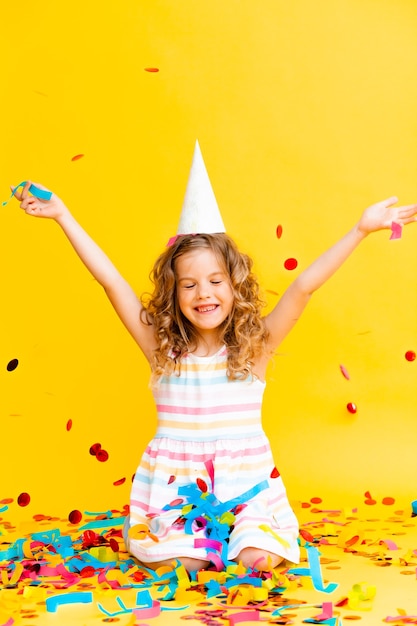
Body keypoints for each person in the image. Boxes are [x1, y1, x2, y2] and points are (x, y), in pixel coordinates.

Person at [12, 162, 416, 573]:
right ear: (173, 293)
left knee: (257, 559)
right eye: (189, 285)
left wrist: (360, 230)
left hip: (246, 489)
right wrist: (63, 216)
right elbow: (112, 282)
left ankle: (246, 539)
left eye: (215, 281)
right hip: (176, 494)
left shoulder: (254, 347)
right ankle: (187, 547)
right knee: (184, 563)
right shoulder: (161, 349)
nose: (203, 293)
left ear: (235, 285)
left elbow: (304, 286)